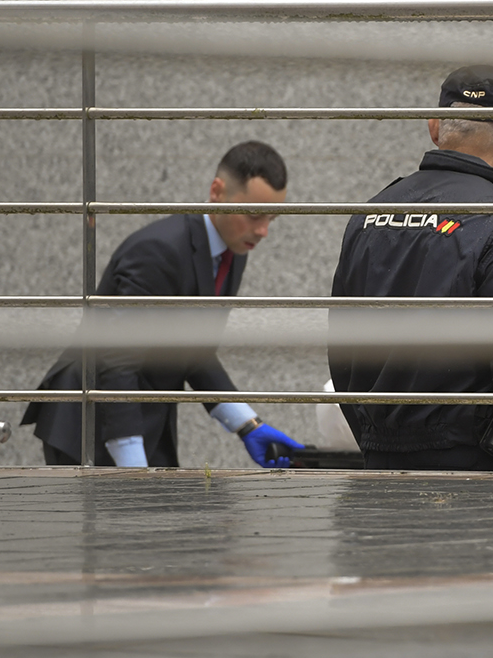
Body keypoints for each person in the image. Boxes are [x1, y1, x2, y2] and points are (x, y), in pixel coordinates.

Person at [327, 65, 493, 472]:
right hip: (469, 473)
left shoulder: (372, 212)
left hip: (377, 463)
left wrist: (377, 439)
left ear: (434, 126)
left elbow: (341, 344)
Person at [23, 141, 304, 468]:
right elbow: (116, 358)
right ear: (217, 191)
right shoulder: (159, 251)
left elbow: (192, 352)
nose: (263, 231)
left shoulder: (234, 249)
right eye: (254, 214)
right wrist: (132, 463)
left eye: (273, 217)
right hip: (91, 425)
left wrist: (248, 425)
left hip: (144, 421)